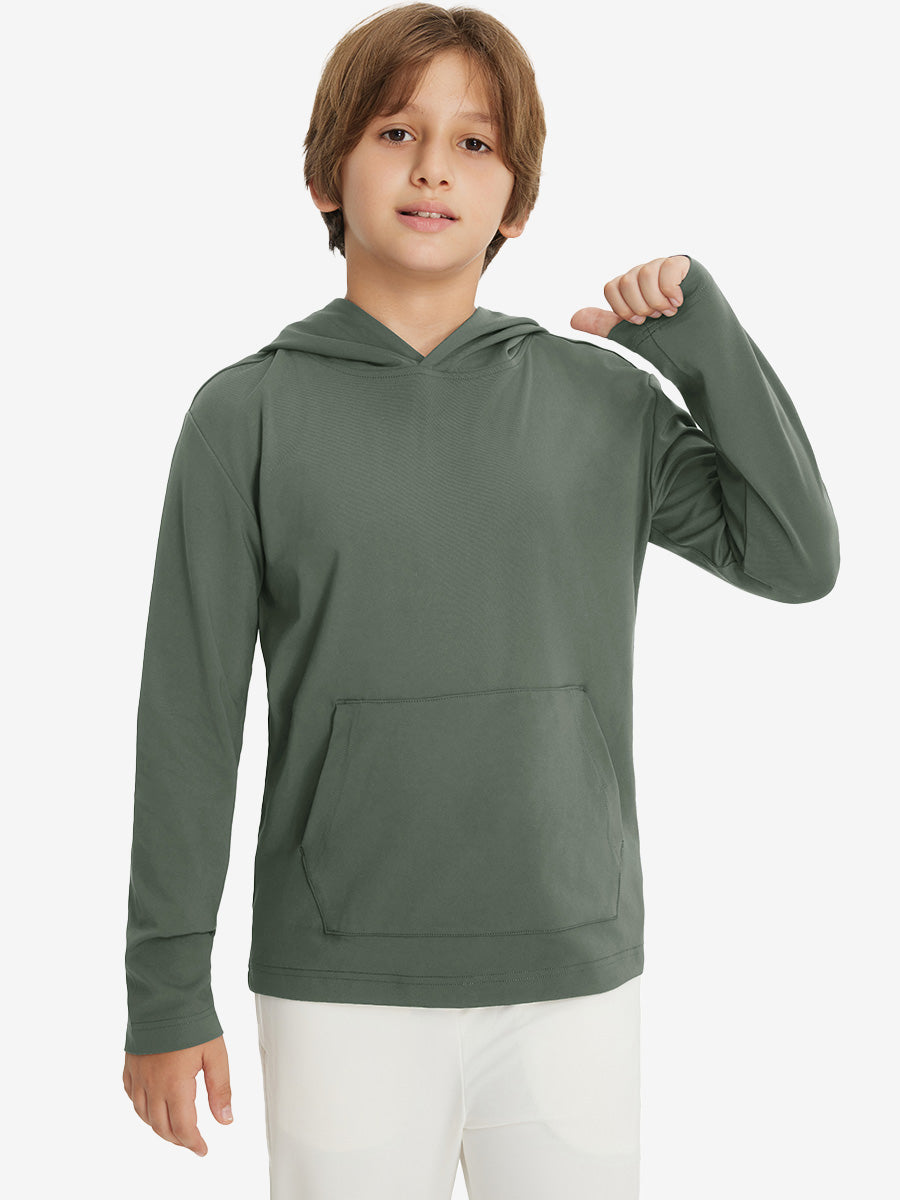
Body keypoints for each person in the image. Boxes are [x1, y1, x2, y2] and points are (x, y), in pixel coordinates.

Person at [121, 4, 841, 1197]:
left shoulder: (602, 402)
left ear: (516, 200)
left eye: (474, 143)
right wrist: (164, 992)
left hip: (571, 970)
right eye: (396, 132)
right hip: (338, 981)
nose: (433, 169)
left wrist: (703, 345)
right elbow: (188, 718)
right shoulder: (244, 416)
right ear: (326, 174)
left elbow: (796, 556)